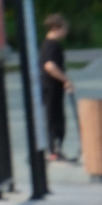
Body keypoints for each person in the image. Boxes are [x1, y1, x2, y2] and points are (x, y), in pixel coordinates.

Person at [39, 14, 72, 162]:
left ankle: (57, 148)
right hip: (51, 87)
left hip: (54, 87)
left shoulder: (50, 44)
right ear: (56, 28)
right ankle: (53, 149)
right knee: (53, 117)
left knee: (57, 117)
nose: (66, 32)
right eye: (64, 28)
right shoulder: (51, 46)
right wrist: (65, 79)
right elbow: (50, 66)